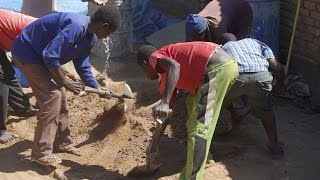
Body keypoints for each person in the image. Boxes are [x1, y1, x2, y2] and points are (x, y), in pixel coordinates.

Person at [11, 5, 121, 166]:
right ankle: (41, 153)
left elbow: (82, 65)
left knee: (60, 94)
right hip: (27, 54)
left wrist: (97, 87)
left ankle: (62, 143)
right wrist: (64, 81)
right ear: (104, 26)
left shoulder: (91, 37)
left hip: (41, 58)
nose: (106, 37)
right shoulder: (76, 26)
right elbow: (50, 55)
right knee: (53, 96)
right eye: (109, 33)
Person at [137, 42, 238, 180]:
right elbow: (164, 116)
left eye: (143, 71)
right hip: (222, 68)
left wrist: (165, 102)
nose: (147, 75)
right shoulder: (167, 78)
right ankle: (206, 159)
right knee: (191, 103)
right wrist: (153, 145)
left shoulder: (155, 57)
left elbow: (175, 66)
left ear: (145, 63)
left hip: (216, 69)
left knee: (199, 127)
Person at [220, 33, 285, 156]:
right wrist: (280, 85)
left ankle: (208, 144)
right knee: (266, 110)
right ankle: (275, 147)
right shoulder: (255, 42)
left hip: (236, 78)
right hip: (261, 77)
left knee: (219, 103)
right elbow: (278, 68)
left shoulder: (222, 49)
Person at [0, 9, 38, 144]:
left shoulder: (46, 31)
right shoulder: (40, 35)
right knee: (1, 82)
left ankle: (23, 108)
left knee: (9, 74)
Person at [185, 0, 253, 42]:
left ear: (204, 31)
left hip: (242, 10)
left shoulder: (218, 25)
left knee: (236, 42)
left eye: (198, 36)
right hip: (225, 6)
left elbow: (225, 48)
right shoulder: (193, 22)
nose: (196, 39)